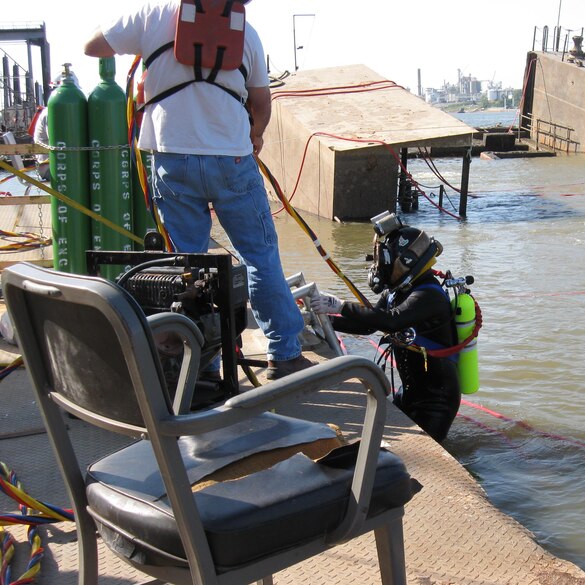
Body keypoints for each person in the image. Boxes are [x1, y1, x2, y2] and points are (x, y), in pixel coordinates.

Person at [84, 0, 312, 380]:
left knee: (190, 266)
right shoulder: (245, 32)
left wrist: (148, 47)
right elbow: (260, 102)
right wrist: (254, 135)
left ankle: (202, 363)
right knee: (259, 257)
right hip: (232, 160)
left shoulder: (152, 16)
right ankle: (285, 354)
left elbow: (93, 46)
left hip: (172, 161)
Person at [311, 217, 461, 442]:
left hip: (436, 400)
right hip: (410, 392)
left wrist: (341, 305)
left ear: (407, 261)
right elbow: (370, 324)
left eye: (385, 260)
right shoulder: (397, 291)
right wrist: (324, 321)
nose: (379, 267)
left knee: (424, 451)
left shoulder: (429, 295)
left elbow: (391, 321)